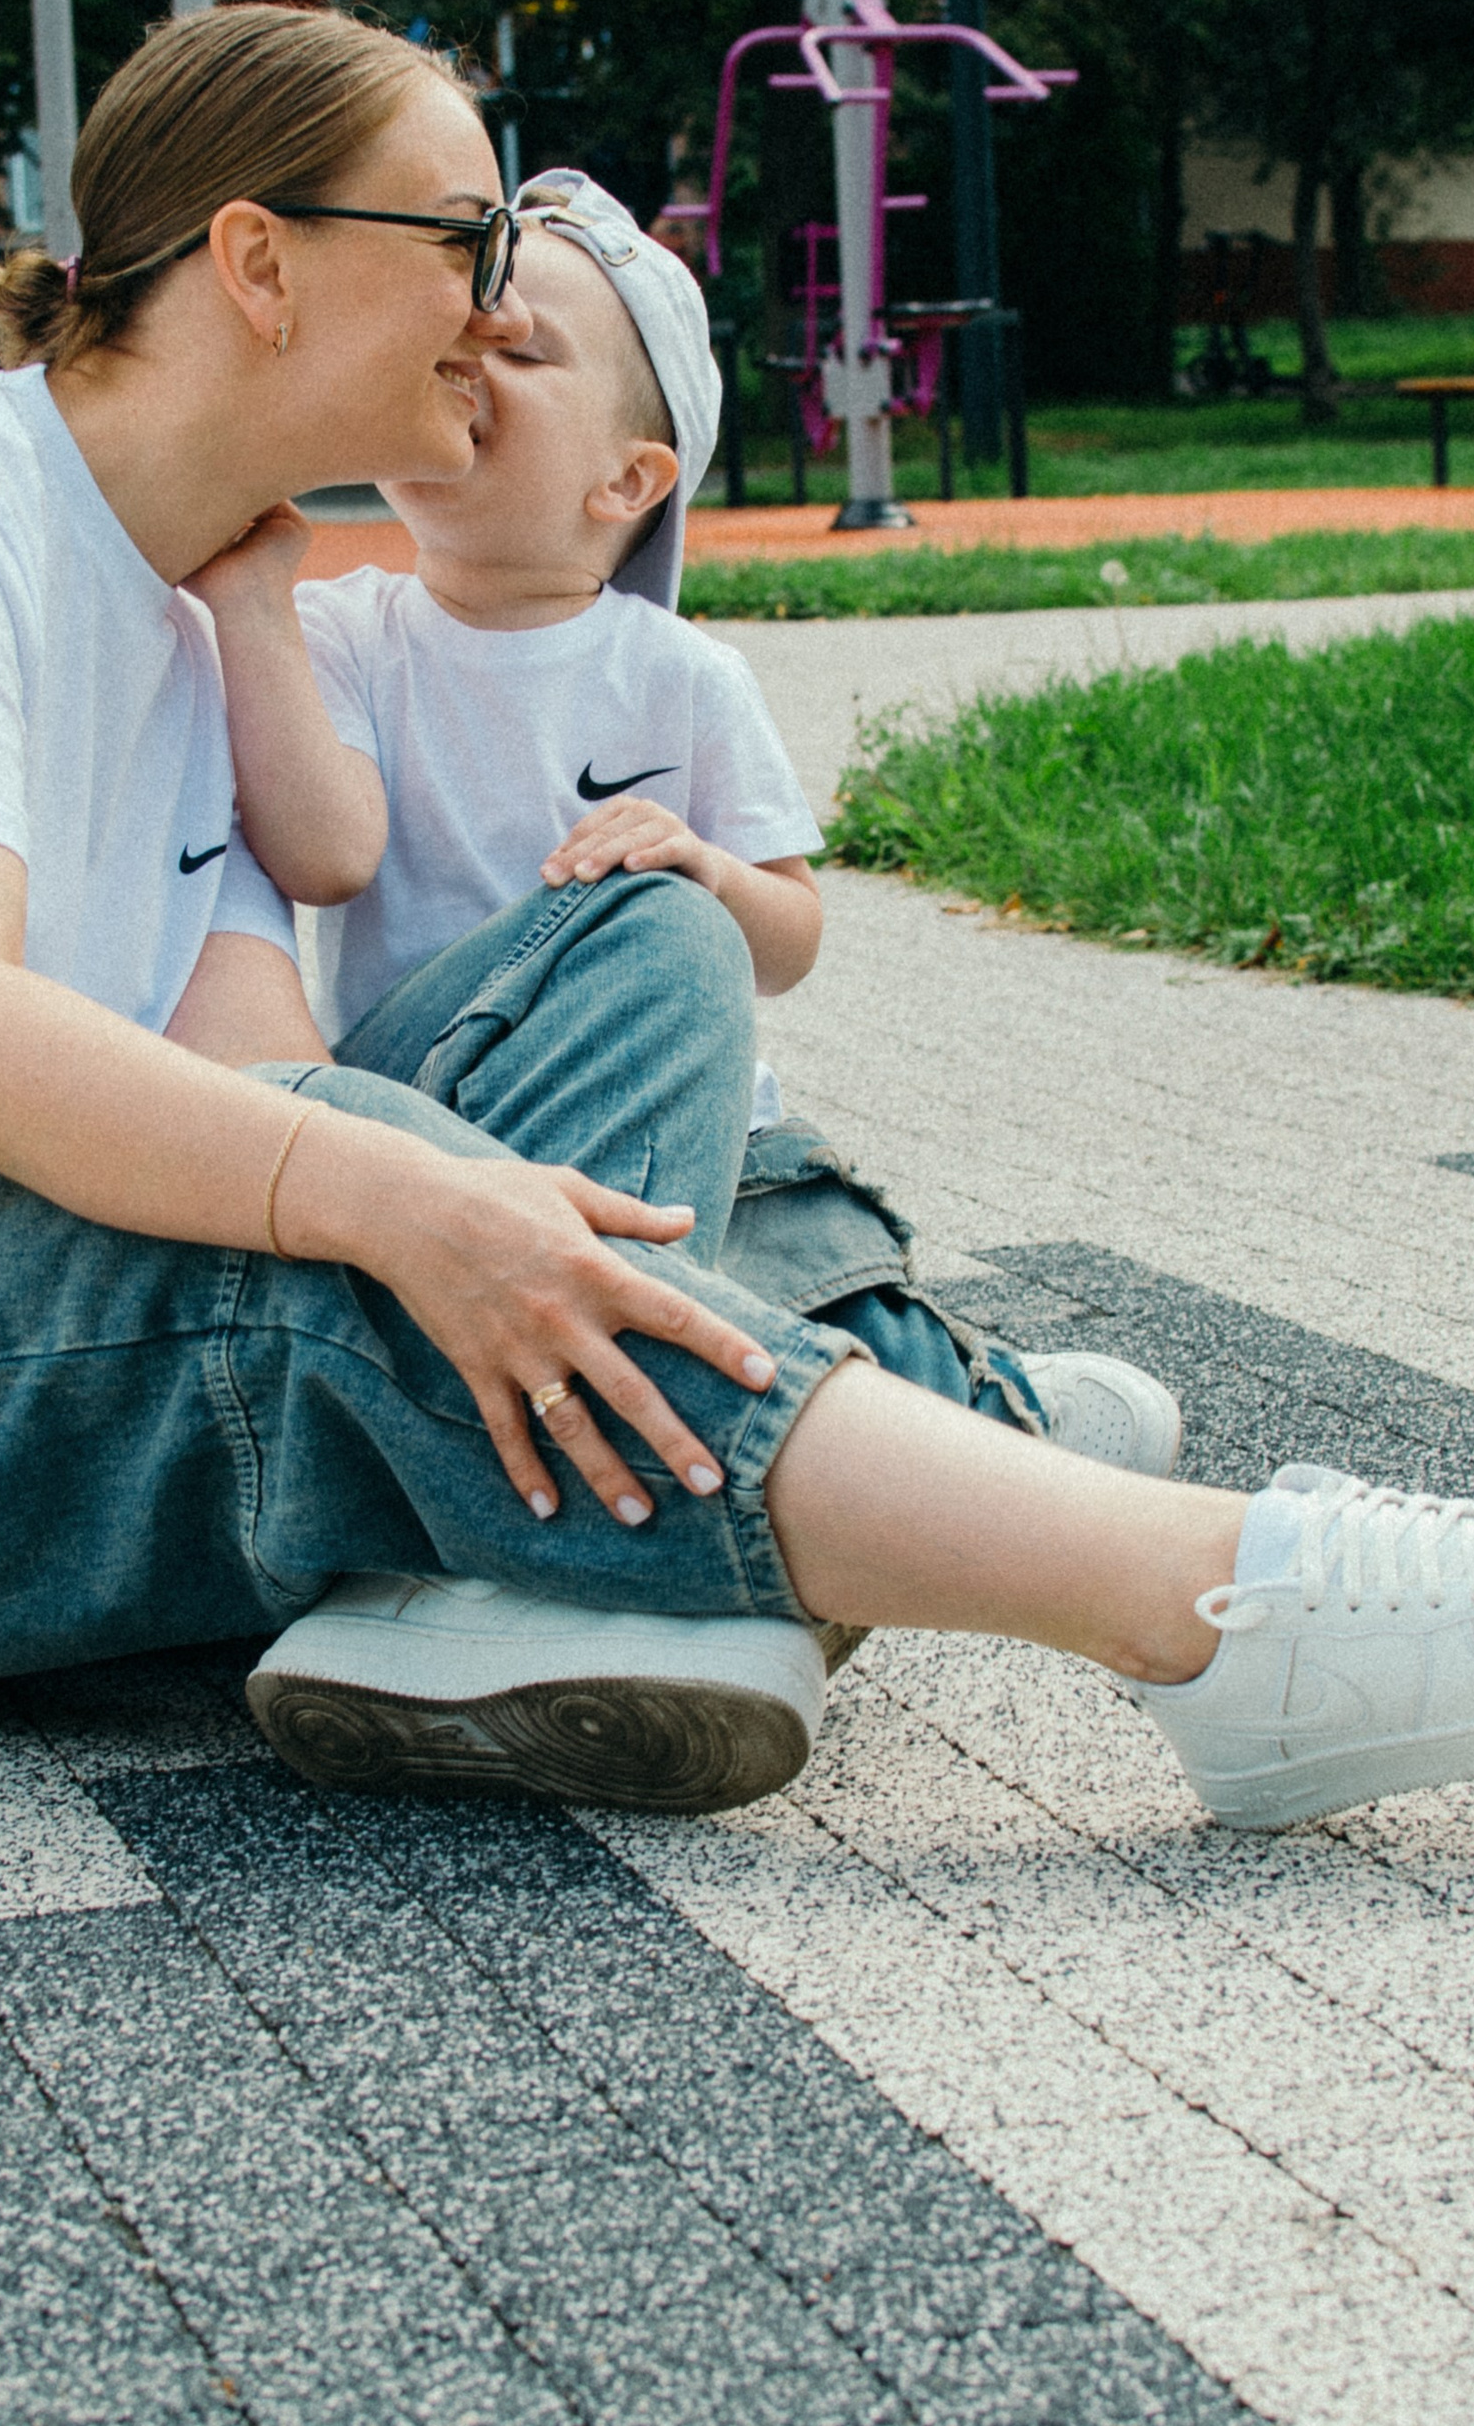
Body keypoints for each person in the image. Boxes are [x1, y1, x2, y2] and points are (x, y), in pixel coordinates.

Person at [0, 6, 1474, 1833]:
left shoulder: (200, 624)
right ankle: (1213, 1606)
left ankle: (530, 1558)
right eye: (459, 238)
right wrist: (420, 1214)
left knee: (635, 946)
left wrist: (456, 1202)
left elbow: (259, 1068)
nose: (494, 301)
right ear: (256, 259)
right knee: (370, 1256)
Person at [189, 163, 1181, 1489]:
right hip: (458, 1112)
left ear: (628, 478)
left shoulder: (681, 672)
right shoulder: (353, 632)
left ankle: (987, 1414)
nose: (469, 352)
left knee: (792, 1302)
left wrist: (704, 871)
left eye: (521, 343)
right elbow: (329, 853)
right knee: (702, 1320)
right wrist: (253, 610)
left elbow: (788, 936)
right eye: (456, 328)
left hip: (697, 1122)